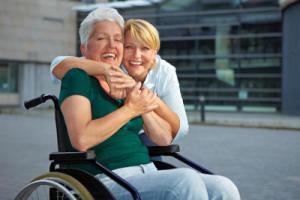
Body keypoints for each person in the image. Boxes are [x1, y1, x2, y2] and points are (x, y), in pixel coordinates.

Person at [58, 7, 241, 200]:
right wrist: (130, 109)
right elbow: (82, 139)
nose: (112, 45)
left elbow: (163, 139)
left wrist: (140, 102)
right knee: (184, 181)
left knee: (223, 186)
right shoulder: (77, 77)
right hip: (105, 179)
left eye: (118, 40)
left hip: (148, 171)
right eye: (102, 38)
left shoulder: (125, 79)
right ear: (84, 47)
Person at [50, 24, 189, 145]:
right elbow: (58, 63)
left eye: (145, 48)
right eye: (129, 47)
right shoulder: (113, 62)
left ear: (155, 53)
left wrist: (144, 95)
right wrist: (106, 69)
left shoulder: (164, 71)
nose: (136, 55)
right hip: (112, 133)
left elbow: (180, 129)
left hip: (147, 134)